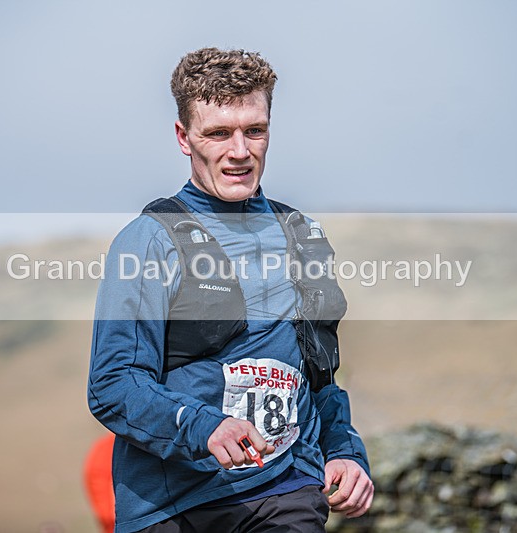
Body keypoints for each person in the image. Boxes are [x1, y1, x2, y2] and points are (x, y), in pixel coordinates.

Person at [88, 47, 373, 533]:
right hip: (173, 505)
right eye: (218, 133)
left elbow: (321, 378)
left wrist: (345, 451)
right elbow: (113, 385)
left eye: (254, 130)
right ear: (184, 137)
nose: (239, 151)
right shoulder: (150, 240)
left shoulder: (301, 235)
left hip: (285, 493)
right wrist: (205, 427)